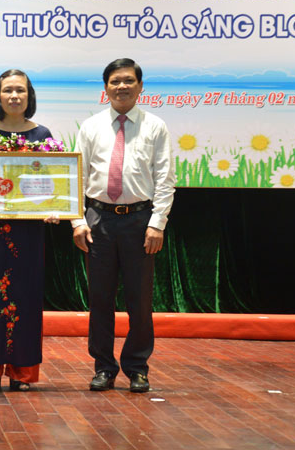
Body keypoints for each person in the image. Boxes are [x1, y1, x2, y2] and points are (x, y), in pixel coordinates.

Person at [72, 58, 175, 393]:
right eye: (115, 81)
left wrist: (157, 223)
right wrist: (78, 221)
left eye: (129, 80)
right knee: (100, 299)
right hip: (98, 220)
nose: (122, 86)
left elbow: (164, 179)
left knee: (140, 300)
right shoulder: (90, 127)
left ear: (140, 87)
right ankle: (103, 367)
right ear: (106, 88)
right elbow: (78, 177)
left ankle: (137, 367)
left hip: (139, 221)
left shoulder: (155, 126)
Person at [0, 69, 59, 392]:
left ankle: (23, 372)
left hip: (29, 230)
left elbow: (52, 183)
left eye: (20, 90)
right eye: (8, 91)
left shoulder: (42, 133)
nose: (14, 96)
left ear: (29, 96)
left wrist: (51, 209)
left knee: (27, 293)